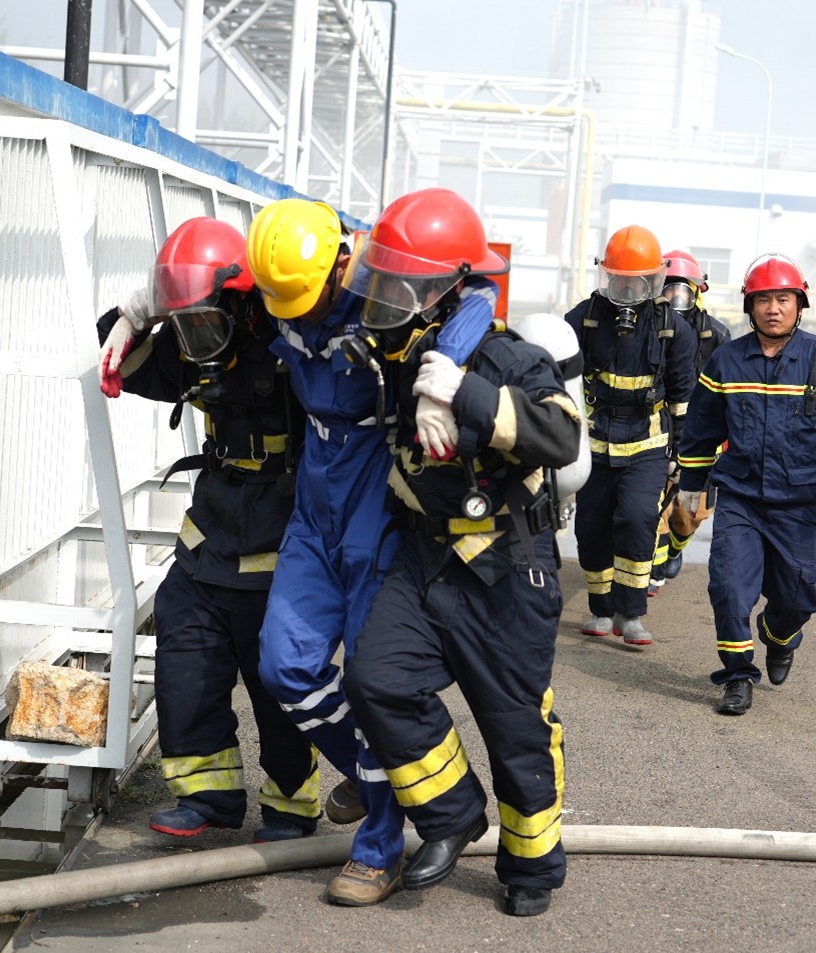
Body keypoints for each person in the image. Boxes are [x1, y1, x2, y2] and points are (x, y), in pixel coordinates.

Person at [245, 197, 497, 906]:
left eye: (308, 297)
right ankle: (367, 765)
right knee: (284, 664)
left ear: (339, 264)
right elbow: (206, 288)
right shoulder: (279, 274)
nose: (296, 313)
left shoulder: (378, 277)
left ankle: (378, 848)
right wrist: (139, 311)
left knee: (367, 679)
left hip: (376, 494)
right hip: (314, 494)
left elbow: (478, 288)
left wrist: (442, 375)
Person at [339, 187, 580, 917]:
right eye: (380, 282)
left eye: (398, 286)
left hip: (506, 565)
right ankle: (451, 813)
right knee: (376, 679)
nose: (382, 299)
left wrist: (465, 392)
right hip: (426, 558)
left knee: (515, 729)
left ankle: (532, 868)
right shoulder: (392, 355)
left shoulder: (507, 357)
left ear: (442, 293)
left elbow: (561, 435)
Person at [95, 217, 320, 842]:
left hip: (283, 543)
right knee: (185, 668)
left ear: (240, 305)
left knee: (279, 685)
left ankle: (290, 806)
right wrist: (137, 313)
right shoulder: (189, 344)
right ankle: (207, 797)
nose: (196, 338)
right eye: (184, 323)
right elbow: (125, 361)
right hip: (210, 538)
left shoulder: (289, 343)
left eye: (205, 321)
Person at [676, 254, 816, 716]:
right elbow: (702, 428)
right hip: (740, 499)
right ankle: (737, 677)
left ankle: (779, 634)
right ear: (749, 306)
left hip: (799, 504)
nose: (773, 308)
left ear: (799, 305)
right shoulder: (727, 361)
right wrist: (690, 485)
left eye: (783, 299)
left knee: (797, 597)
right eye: (763, 299)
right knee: (729, 589)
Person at [564, 226, 697, 646]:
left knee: (638, 520)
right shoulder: (583, 319)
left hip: (647, 445)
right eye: (618, 279)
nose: (626, 288)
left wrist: (681, 454)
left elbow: (683, 397)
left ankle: (631, 613)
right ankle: (601, 610)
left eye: (635, 280)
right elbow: (558, 378)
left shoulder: (673, 328)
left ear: (653, 279)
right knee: (591, 527)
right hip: (594, 444)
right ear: (606, 275)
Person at [649, 249, 731, 592]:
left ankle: (675, 546)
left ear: (698, 292)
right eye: (666, 289)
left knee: (690, 513)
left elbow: (729, 392)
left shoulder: (717, 336)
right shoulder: (647, 327)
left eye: (681, 290)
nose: (673, 298)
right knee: (650, 505)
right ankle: (650, 570)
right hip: (656, 426)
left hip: (700, 434)